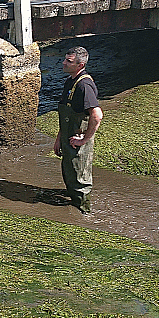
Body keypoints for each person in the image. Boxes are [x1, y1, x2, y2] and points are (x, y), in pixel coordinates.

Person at [53, 47, 103, 213]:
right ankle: (73, 205)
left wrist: (84, 140)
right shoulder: (70, 81)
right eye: (65, 59)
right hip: (68, 138)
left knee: (80, 178)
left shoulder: (84, 85)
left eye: (69, 61)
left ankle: (84, 212)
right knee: (69, 173)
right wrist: (59, 138)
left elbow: (97, 115)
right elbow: (66, 113)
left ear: (80, 65)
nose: (64, 63)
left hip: (77, 142)